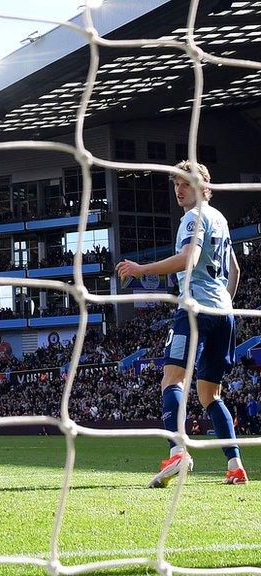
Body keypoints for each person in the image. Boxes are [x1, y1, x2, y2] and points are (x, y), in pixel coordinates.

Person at [117, 160, 246, 487]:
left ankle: (178, 452)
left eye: (185, 183)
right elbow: (235, 270)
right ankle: (234, 465)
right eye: (175, 183)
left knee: (171, 381)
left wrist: (141, 269)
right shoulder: (221, 219)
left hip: (194, 309)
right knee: (209, 396)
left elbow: (188, 258)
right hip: (223, 315)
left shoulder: (194, 217)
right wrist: (225, 303)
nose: (179, 189)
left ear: (203, 187)